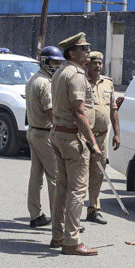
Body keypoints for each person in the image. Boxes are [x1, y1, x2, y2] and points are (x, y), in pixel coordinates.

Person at [48, 32, 101, 256]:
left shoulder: (60, 72)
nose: (88, 51)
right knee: (77, 190)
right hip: (72, 137)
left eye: (88, 47)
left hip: (59, 134)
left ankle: (58, 235)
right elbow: (79, 112)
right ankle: (72, 240)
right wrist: (94, 144)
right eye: (84, 48)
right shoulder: (77, 75)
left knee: (62, 187)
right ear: (72, 52)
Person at [25, 45, 63, 228]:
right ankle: (60, 219)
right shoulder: (45, 83)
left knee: (36, 176)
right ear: (46, 62)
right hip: (45, 133)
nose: (58, 65)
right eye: (55, 62)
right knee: (55, 177)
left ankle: (35, 214)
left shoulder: (34, 79)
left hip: (34, 131)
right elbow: (50, 113)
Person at [84, 51, 121, 225]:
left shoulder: (108, 83)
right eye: (94, 63)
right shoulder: (81, 82)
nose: (98, 66)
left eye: (100, 63)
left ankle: (93, 209)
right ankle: (73, 213)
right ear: (87, 64)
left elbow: (113, 110)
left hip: (102, 136)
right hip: (84, 138)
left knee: (98, 174)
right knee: (80, 175)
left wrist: (117, 133)